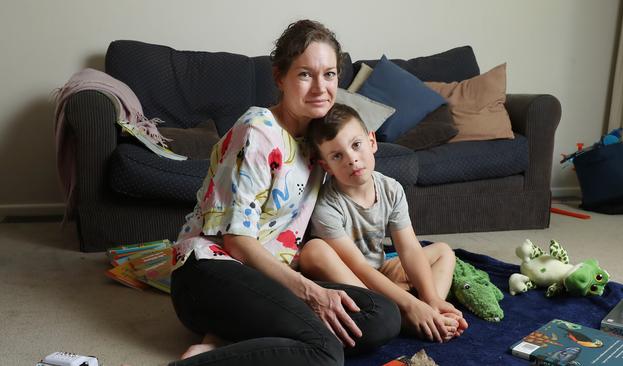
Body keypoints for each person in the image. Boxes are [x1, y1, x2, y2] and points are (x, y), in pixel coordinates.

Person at [168, 20, 401, 366]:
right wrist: (309, 291)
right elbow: (236, 242)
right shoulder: (258, 129)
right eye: (306, 74)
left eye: (331, 74)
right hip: (210, 274)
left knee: (383, 315)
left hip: (267, 278)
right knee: (325, 352)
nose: (321, 87)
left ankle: (228, 341)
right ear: (280, 78)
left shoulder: (319, 142)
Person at [299, 103, 470, 343]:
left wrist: (430, 298)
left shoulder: (391, 189)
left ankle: (429, 311)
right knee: (314, 251)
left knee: (443, 251)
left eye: (356, 145)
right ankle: (403, 313)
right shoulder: (327, 205)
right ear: (326, 166)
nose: (352, 159)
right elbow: (359, 267)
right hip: (349, 278)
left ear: (372, 142)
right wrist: (409, 303)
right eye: (337, 155)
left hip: (380, 269)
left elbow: (409, 249)